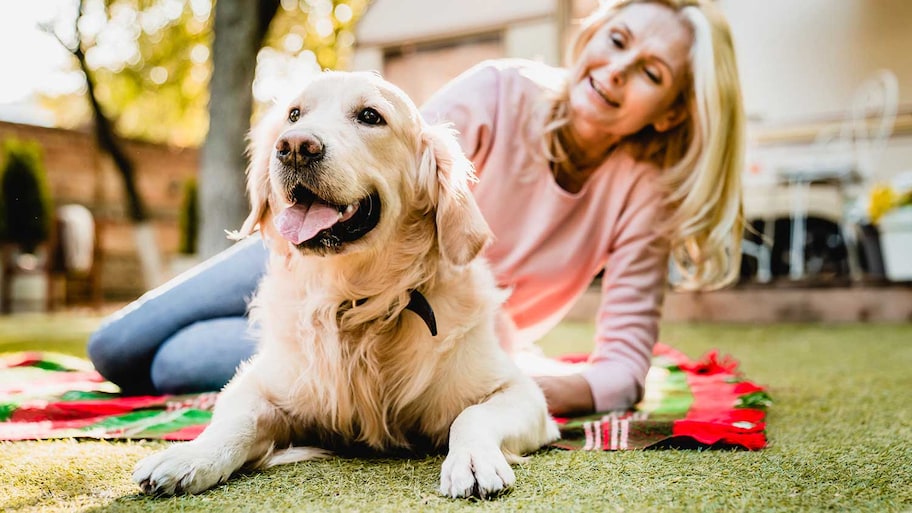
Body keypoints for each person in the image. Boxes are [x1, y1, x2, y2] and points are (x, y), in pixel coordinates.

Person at [88, 0, 745, 417]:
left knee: (173, 364)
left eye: (652, 72)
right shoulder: (498, 91)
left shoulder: (644, 198)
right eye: (619, 38)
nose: (618, 69)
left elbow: (622, 371)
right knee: (114, 347)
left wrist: (487, 386)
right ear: (595, 31)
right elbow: (379, 173)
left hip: (418, 332)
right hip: (318, 242)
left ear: (674, 112)